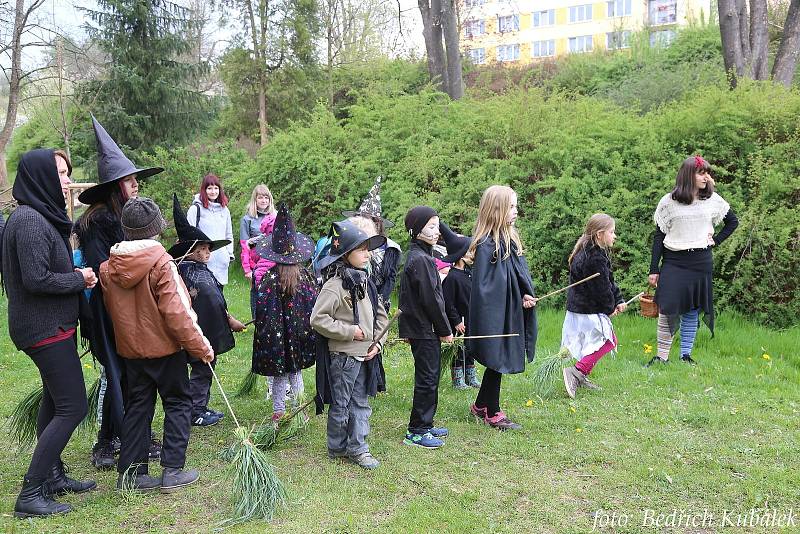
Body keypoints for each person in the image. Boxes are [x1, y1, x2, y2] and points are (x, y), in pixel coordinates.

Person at [2, 149, 97, 518]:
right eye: (60, 174)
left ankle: (53, 475)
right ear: (40, 177)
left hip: (51, 325)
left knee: (56, 401)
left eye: (68, 173)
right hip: (43, 328)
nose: (68, 180)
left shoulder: (39, 215)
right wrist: (80, 278)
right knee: (73, 406)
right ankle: (30, 494)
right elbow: (36, 279)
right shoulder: (28, 220)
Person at [100, 197, 214, 493]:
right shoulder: (162, 264)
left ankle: (132, 474)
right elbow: (178, 313)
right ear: (156, 230)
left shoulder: (108, 268)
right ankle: (173, 471)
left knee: (138, 406)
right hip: (165, 351)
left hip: (132, 352)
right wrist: (201, 346)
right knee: (177, 402)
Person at [75, 116, 165, 469]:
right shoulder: (99, 223)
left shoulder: (122, 218)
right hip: (106, 314)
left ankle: (130, 434)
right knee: (118, 373)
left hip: (126, 311)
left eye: (135, 179)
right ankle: (108, 442)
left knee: (129, 374)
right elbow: (106, 271)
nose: (136, 185)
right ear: (115, 188)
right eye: (129, 181)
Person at [647, 155, 739, 366]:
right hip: (674, 261)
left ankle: (685, 355)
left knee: (692, 309)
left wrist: (716, 240)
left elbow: (732, 222)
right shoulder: (668, 201)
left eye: (707, 172)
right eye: (701, 172)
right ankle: (661, 357)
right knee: (668, 307)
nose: (706, 177)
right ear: (689, 175)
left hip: (700, 261)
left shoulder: (712, 199)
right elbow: (659, 235)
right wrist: (654, 268)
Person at [311, 219, 388, 469]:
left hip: (366, 354)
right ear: (346, 254)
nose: (368, 254)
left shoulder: (366, 283)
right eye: (361, 249)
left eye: (368, 249)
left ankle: (359, 447)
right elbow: (318, 319)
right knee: (342, 404)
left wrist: (377, 343)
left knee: (361, 403)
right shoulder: (334, 287)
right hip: (343, 357)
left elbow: (380, 317)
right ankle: (337, 447)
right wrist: (349, 331)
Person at [169, 194, 245, 427]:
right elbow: (211, 301)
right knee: (203, 368)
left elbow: (217, 301)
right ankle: (196, 410)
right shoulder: (192, 274)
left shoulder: (194, 270)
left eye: (209, 248)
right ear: (190, 251)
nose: (208, 252)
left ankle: (191, 408)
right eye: (202, 248)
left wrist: (229, 320)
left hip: (187, 333)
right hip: (196, 332)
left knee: (194, 369)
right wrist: (221, 324)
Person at [467, 185, 537, 431]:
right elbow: (488, 287)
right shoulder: (488, 246)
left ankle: (480, 405)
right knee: (497, 357)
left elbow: (516, 276)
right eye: (511, 206)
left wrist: (525, 294)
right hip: (495, 313)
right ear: (496, 210)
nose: (516, 211)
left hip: (509, 309)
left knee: (500, 356)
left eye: (516, 205)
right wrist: (517, 297)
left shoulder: (509, 240)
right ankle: (492, 411)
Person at [251, 203, 318, 421]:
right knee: (295, 371)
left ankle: (279, 411)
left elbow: (263, 313)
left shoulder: (269, 279)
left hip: (277, 339)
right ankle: (300, 410)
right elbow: (313, 305)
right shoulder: (306, 276)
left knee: (279, 375)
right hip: (298, 336)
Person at [398, 206, 453, 449]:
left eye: (437, 225)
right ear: (416, 230)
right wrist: (444, 329)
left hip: (422, 328)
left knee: (430, 376)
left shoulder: (423, 256)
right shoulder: (419, 259)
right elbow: (431, 300)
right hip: (424, 329)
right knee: (427, 378)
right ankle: (417, 430)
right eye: (430, 226)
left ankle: (427, 424)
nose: (436, 230)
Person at [561, 214, 626, 398]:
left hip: (582, 308)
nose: (615, 236)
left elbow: (609, 280)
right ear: (599, 234)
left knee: (595, 343)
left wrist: (618, 300)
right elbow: (601, 288)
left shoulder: (594, 251)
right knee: (608, 341)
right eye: (612, 232)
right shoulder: (593, 257)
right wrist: (609, 307)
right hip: (586, 309)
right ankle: (577, 371)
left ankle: (580, 375)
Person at [342, 176, 401, 311]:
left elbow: (389, 277)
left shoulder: (390, 248)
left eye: (370, 221)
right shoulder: (350, 241)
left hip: (378, 299)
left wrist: (379, 300)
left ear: (378, 224)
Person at [439, 221, 480, 389]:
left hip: (470, 319)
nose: (473, 254)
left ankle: (471, 376)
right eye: (470, 252)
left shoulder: (469, 274)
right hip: (459, 322)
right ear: (462, 256)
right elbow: (448, 302)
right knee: (459, 350)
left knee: (470, 348)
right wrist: (456, 321)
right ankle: (458, 379)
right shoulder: (452, 278)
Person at [187, 174, 234, 286]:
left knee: (219, 301)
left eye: (216, 188)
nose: (213, 192)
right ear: (204, 189)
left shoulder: (224, 210)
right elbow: (188, 236)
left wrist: (228, 254)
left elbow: (228, 234)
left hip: (221, 263)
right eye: (209, 188)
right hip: (202, 264)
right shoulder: (195, 209)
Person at [240, 184, 277, 314]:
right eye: (260, 197)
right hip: (255, 263)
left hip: (272, 261)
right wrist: (247, 269)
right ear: (255, 200)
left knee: (272, 292)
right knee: (256, 293)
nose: (264, 201)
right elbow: (244, 246)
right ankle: (257, 320)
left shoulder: (274, 217)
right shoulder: (247, 219)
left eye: (266, 197)